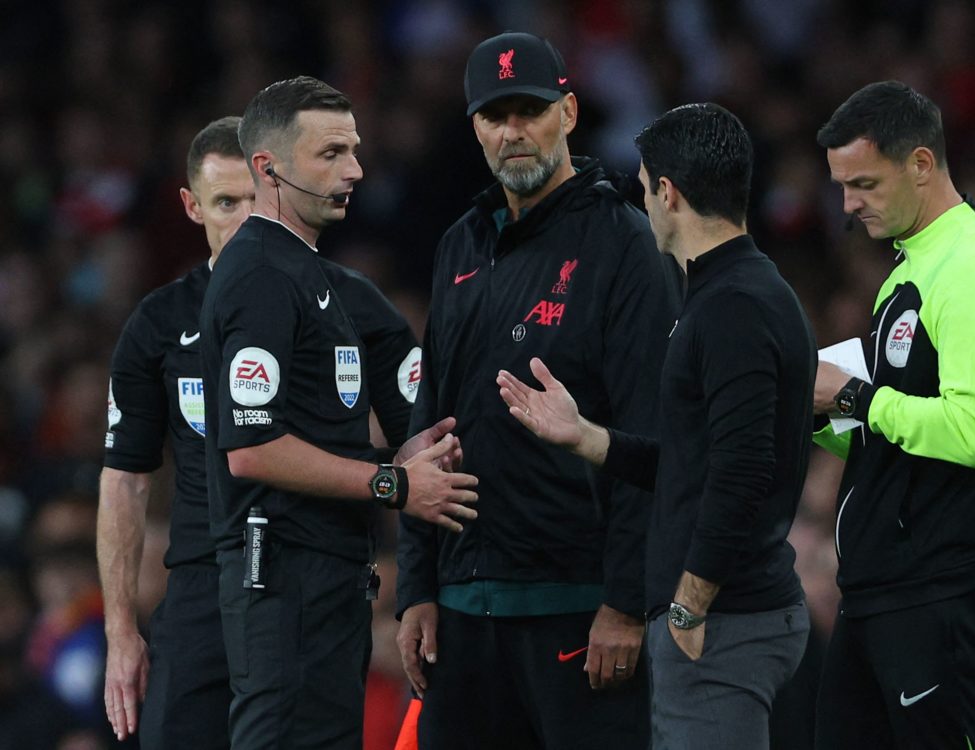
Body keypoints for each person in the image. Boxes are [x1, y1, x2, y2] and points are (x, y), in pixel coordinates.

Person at [498, 103, 816, 749]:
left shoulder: (736, 306)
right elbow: (691, 459)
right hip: (727, 617)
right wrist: (586, 436)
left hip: (724, 620)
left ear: (667, 192)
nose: (643, 200)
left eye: (645, 186)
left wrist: (690, 604)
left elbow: (743, 468)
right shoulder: (730, 293)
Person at [394, 32, 677, 750]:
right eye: (496, 116)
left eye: (531, 110)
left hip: (577, 606)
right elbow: (427, 423)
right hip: (462, 605)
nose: (514, 131)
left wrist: (625, 600)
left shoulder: (625, 244)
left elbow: (652, 436)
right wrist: (418, 587)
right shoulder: (460, 243)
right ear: (476, 130)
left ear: (570, 112)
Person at [198, 77, 478, 750]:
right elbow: (252, 449)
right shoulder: (258, 274)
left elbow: (418, 412)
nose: (353, 169)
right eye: (330, 154)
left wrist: (420, 453)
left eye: (353, 150)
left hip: (328, 579)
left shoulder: (328, 283)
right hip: (283, 578)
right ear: (268, 168)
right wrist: (394, 483)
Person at [810, 81, 975, 749]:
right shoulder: (912, 269)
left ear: (920, 164)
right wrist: (821, 409)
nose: (849, 205)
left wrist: (854, 397)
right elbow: (893, 436)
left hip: (943, 594)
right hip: (883, 589)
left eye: (864, 184)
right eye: (842, 187)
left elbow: (972, 433)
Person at [98, 116, 255, 747]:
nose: (244, 219)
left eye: (255, 199)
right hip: (199, 589)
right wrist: (120, 631)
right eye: (225, 202)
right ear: (192, 206)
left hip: (308, 586)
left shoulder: (335, 308)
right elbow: (125, 481)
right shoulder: (159, 323)